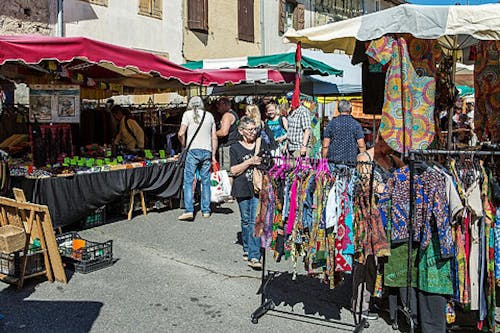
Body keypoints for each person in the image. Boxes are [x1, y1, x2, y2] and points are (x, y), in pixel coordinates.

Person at [177, 96, 218, 221]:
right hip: (207, 150)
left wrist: (184, 145)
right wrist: (213, 155)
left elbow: (180, 133)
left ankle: (189, 210)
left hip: (193, 150)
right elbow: (214, 137)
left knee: (188, 181)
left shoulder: (187, 114)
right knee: (205, 181)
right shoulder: (209, 116)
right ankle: (206, 210)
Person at [230, 116, 262, 269]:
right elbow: (233, 170)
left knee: (254, 221)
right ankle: (247, 248)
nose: (253, 132)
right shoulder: (235, 148)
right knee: (245, 220)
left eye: (255, 129)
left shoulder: (261, 144)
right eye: (250, 130)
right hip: (242, 187)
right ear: (241, 131)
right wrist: (250, 161)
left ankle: (254, 255)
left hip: (258, 188)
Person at [322, 100, 366, 169]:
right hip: (350, 162)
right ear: (350, 109)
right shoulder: (356, 124)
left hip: (333, 162)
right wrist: (363, 161)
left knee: (333, 179)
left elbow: (325, 145)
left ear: (338, 109)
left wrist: (323, 160)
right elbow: (361, 145)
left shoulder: (331, 124)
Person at [216, 97, 240, 172]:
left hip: (227, 147)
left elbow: (223, 132)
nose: (217, 107)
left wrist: (211, 133)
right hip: (233, 145)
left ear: (225, 105)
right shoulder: (234, 114)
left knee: (226, 171)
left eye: (219, 105)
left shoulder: (227, 115)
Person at [285, 93, 311, 157]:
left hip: (299, 147)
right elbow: (289, 130)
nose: (290, 101)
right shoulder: (290, 112)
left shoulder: (303, 111)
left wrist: (304, 146)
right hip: (290, 147)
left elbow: (307, 130)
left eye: (292, 99)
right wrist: (286, 145)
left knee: (301, 166)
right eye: (289, 99)